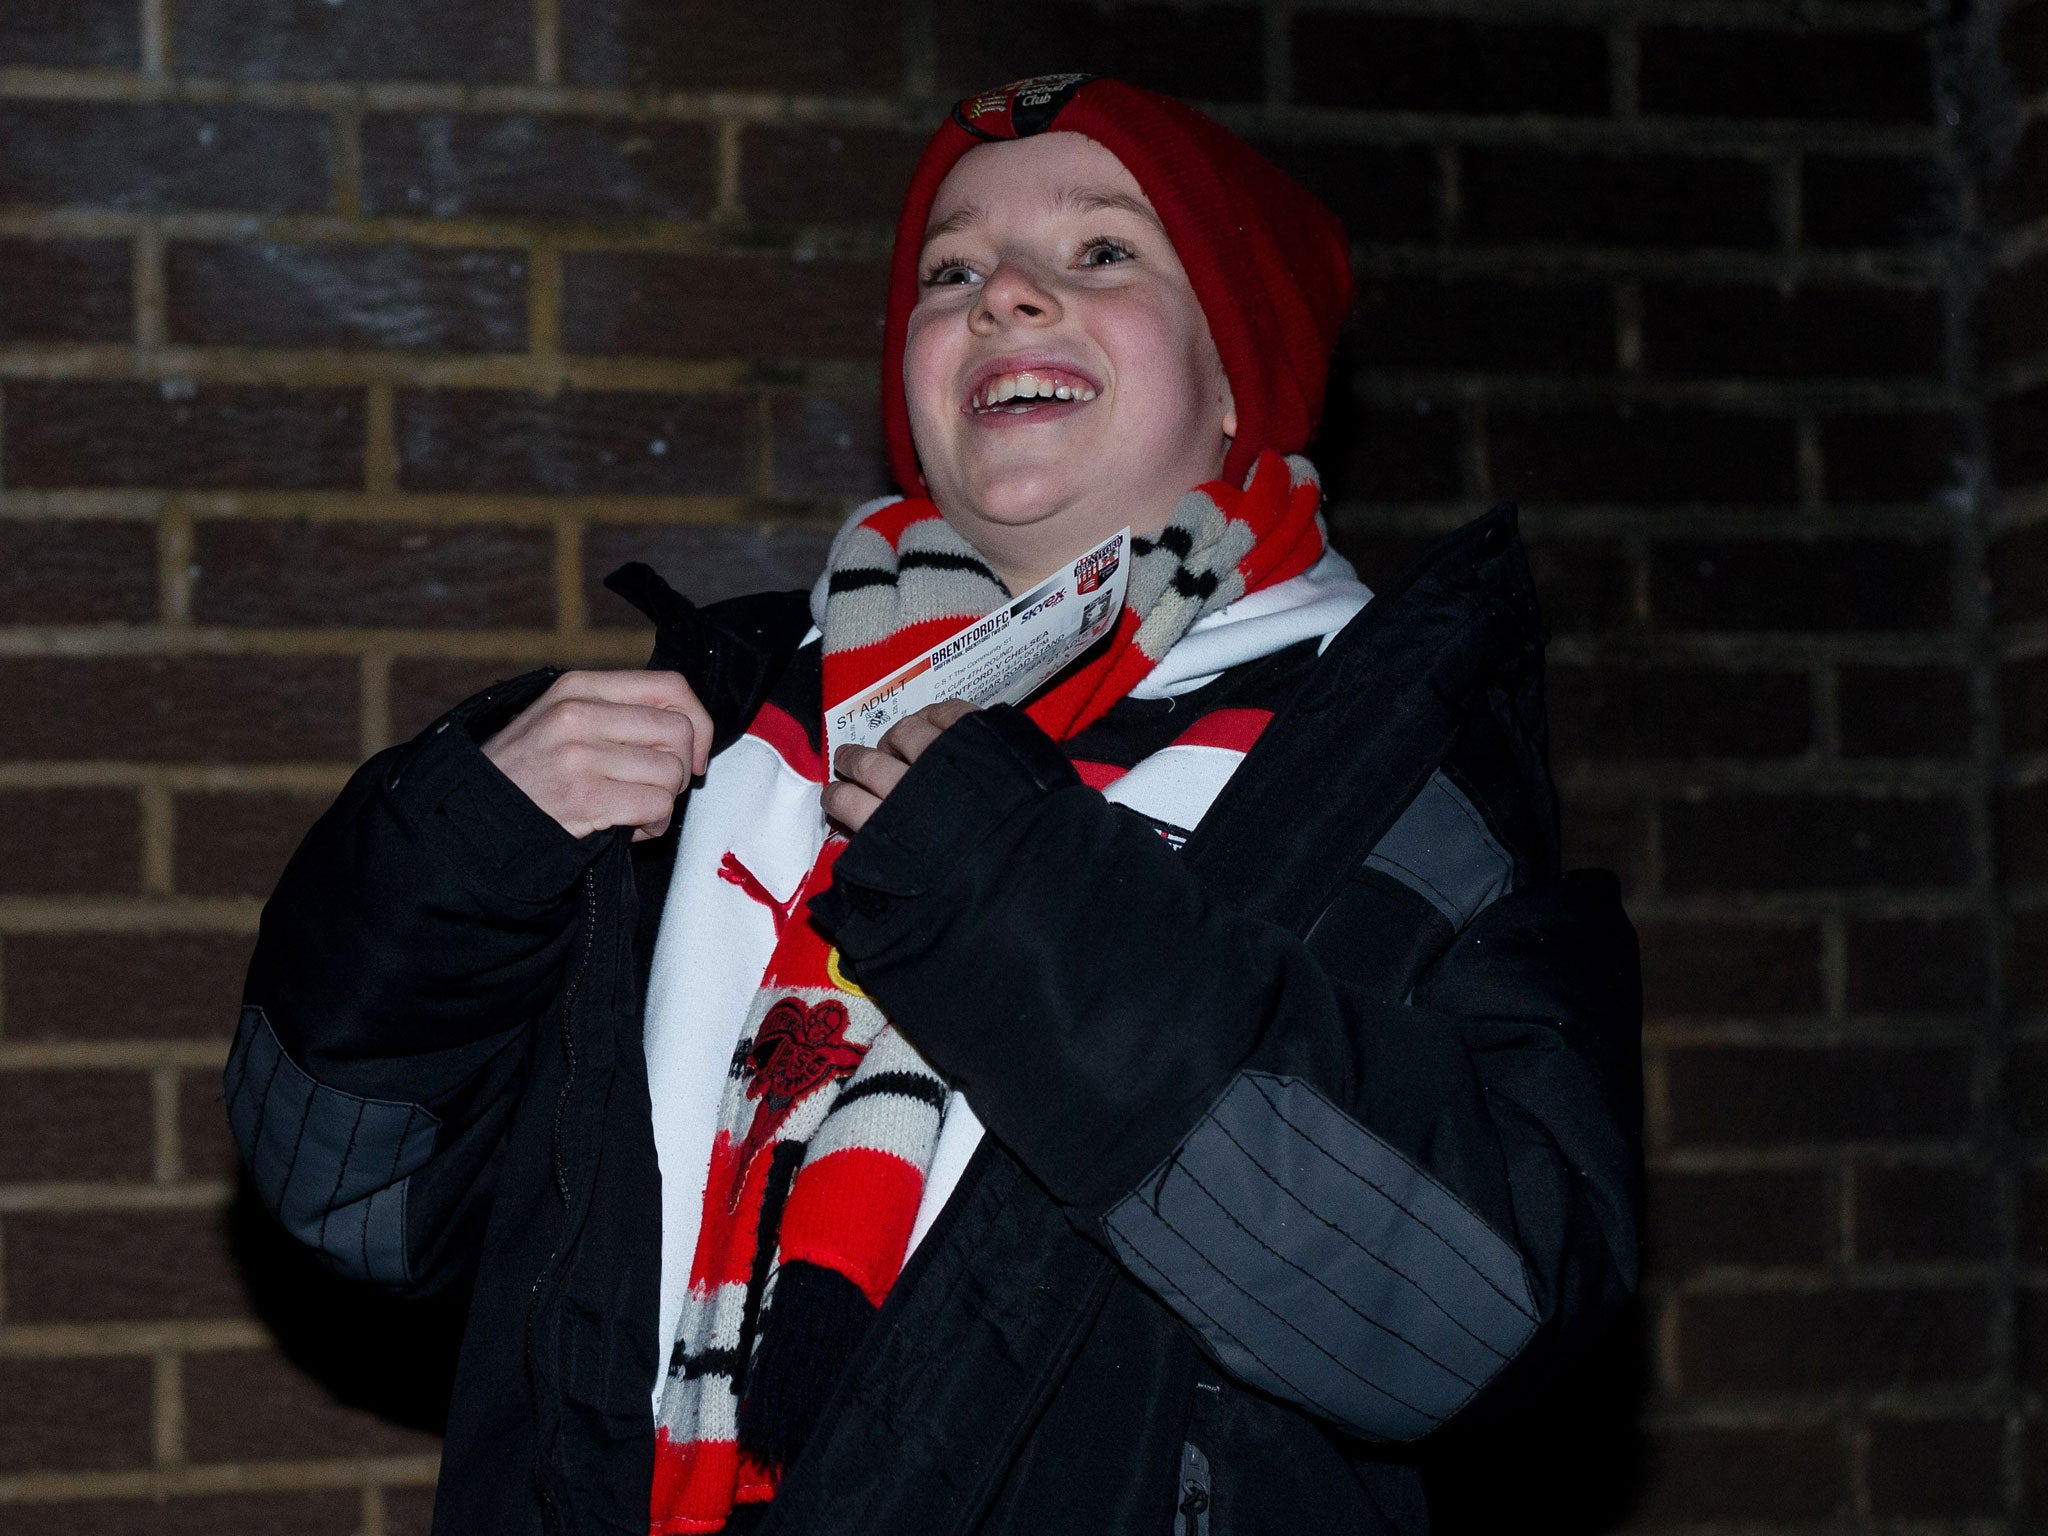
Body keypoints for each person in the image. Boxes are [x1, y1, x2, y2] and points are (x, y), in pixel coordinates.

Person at [227, 75, 1642, 1536]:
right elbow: (355, 1198)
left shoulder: (1384, 763)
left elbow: (1475, 1314)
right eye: (952, 270)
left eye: (1102, 254)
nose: (1007, 295)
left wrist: (1021, 900)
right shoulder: (730, 726)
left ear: (1238, 380)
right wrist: (454, 858)